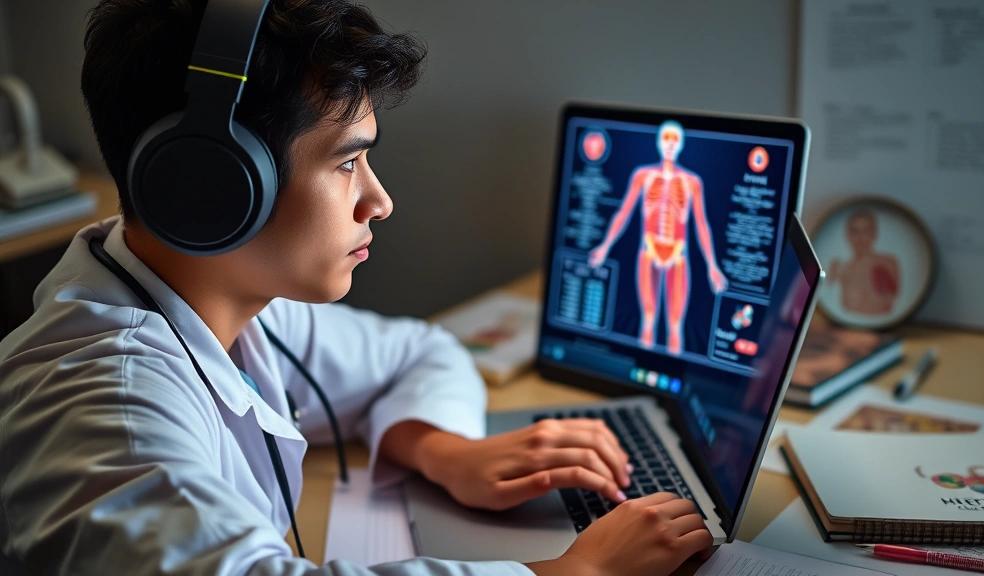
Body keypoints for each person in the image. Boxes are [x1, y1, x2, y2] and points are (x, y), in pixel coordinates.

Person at [0, 1, 713, 574]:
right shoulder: (108, 414)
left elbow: (416, 352)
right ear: (212, 188)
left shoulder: (228, 302)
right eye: (346, 164)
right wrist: (574, 574)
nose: (379, 200)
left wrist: (445, 451)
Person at [588, 121, 728, 356]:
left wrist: (712, 266)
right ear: (659, 143)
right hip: (649, 251)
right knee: (649, 319)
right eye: (666, 139)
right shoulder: (643, 175)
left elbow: (702, 224)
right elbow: (624, 212)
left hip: (678, 255)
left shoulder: (692, 182)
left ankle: (671, 378)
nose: (670, 144)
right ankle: (642, 372)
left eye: (675, 140)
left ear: (680, 144)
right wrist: (605, 246)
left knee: (675, 325)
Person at [828, 210, 900, 316]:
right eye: (855, 231)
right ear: (848, 235)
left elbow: (893, 295)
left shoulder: (887, 262)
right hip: (848, 325)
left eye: (866, 231)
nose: (860, 237)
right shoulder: (844, 267)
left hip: (880, 321)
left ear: (874, 234)